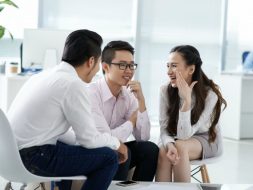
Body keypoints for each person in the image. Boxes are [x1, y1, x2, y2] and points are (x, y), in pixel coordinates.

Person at [8, 29, 128, 190]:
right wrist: (117, 144)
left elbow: (58, 132)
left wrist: (84, 143)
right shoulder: (72, 84)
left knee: (71, 148)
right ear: (91, 61)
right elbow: (89, 139)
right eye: (99, 62)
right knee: (109, 157)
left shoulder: (42, 76)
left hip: (10, 157)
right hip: (32, 158)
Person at [88, 40, 159, 181]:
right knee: (120, 150)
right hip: (91, 152)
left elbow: (142, 138)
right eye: (122, 65)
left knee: (149, 149)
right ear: (106, 67)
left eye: (131, 65)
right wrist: (131, 121)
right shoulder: (91, 94)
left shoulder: (129, 95)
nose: (129, 70)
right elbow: (105, 139)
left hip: (113, 148)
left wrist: (141, 102)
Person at [155, 45, 227, 182]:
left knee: (181, 147)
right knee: (164, 151)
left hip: (207, 138)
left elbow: (184, 135)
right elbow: (164, 128)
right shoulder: (165, 90)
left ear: (191, 69)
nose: (169, 71)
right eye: (168, 66)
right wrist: (169, 144)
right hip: (177, 138)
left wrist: (186, 101)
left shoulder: (210, 95)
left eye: (174, 66)